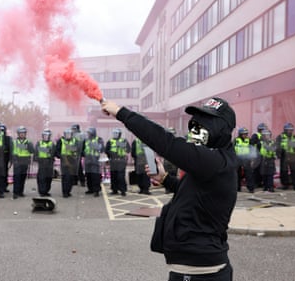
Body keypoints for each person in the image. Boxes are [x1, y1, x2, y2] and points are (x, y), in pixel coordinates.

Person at [101, 97, 236, 281]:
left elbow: (167, 142)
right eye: (194, 123)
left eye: (204, 124)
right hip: (194, 269)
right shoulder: (211, 161)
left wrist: (121, 112)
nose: (195, 129)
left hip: (201, 273)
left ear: (220, 129)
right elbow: (195, 193)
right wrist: (165, 179)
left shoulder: (214, 161)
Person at [275, 122, 295, 190]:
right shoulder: (280, 137)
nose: (290, 131)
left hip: (292, 156)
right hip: (284, 155)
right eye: (288, 130)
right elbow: (277, 146)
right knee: (284, 171)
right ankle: (284, 184)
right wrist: (278, 154)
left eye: (291, 130)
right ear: (285, 130)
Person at [105, 128, 130, 196]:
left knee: (121, 176)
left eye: (116, 133)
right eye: (114, 133)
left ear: (119, 134)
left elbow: (128, 150)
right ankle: (114, 190)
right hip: (113, 161)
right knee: (113, 176)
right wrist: (110, 154)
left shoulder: (124, 140)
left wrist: (121, 145)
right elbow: (106, 150)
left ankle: (123, 190)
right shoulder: (110, 141)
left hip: (121, 161)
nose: (115, 135)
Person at [55, 128, 80, 198]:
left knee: (71, 177)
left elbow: (77, 149)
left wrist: (72, 151)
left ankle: (68, 191)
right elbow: (57, 150)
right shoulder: (61, 141)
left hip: (72, 160)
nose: (68, 136)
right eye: (67, 134)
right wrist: (60, 156)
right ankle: (65, 192)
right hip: (64, 160)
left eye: (69, 134)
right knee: (65, 177)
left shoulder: (75, 141)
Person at [11, 126, 34, 199]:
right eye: (20, 133)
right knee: (16, 177)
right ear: (18, 134)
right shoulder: (14, 142)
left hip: (25, 160)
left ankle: (21, 192)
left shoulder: (28, 142)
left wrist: (29, 147)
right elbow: (13, 151)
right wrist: (14, 159)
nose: (22, 134)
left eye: (23, 133)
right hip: (17, 160)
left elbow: (32, 151)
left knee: (23, 177)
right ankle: (15, 192)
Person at [82, 127, 105, 197]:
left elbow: (101, 149)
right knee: (88, 176)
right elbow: (83, 149)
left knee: (95, 177)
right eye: (87, 133)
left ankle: (96, 190)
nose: (88, 134)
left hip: (95, 161)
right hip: (88, 160)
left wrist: (94, 146)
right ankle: (90, 189)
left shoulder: (99, 139)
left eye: (89, 133)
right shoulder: (86, 140)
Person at [34, 129, 56, 197]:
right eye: (44, 135)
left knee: (49, 178)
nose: (46, 137)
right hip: (42, 163)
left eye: (47, 136)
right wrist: (36, 158)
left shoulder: (52, 144)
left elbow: (53, 153)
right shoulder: (39, 143)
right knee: (41, 178)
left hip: (49, 162)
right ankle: (42, 191)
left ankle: (46, 191)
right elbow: (36, 152)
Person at [234, 127, 255, 193]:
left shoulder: (249, 140)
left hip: (246, 158)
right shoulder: (235, 140)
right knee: (237, 174)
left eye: (246, 134)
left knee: (248, 174)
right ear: (240, 134)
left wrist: (252, 159)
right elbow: (232, 149)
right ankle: (237, 188)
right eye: (243, 134)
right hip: (238, 158)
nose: (245, 135)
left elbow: (252, 150)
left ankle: (251, 188)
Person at [250, 123, 268, 188]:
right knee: (256, 170)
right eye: (262, 129)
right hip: (257, 155)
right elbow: (252, 144)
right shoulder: (255, 135)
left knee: (263, 170)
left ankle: (261, 182)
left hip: (264, 155)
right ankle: (256, 183)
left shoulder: (266, 135)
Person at [0, 124, 12, 192]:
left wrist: (11, 160)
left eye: (2, 130)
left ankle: (4, 187)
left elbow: (11, 150)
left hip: (5, 158)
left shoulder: (8, 139)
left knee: (4, 174)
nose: (1, 132)